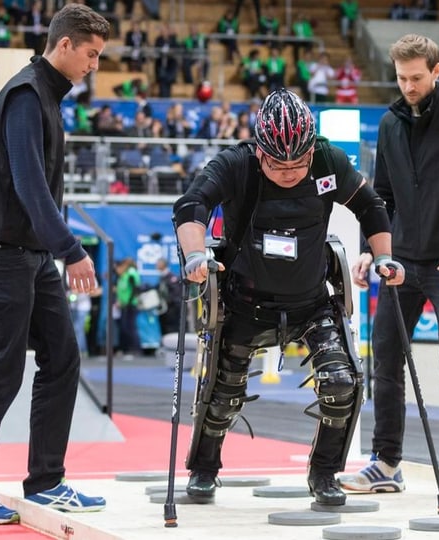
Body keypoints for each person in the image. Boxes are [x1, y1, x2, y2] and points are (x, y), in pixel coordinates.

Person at [173, 88, 404, 506]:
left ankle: (325, 472)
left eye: (298, 162)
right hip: (245, 301)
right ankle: (204, 469)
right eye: (278, 164)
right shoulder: (235, 164)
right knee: (222, 393)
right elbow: (192, 205)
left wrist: (384, 255)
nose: (289, 172)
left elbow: (370, 206)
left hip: (312, 301)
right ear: (259, 149)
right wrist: (193, 254)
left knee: (343, 381)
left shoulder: (328, 161)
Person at [0, 4, 110, 525]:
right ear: (64, 45)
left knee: (62, 357)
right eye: (91, 54)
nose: (94, 65)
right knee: (5, 367)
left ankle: (45, 482)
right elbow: (28, 184)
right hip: (0, 252)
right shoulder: (25, 94)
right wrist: (72, 250)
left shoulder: (47, 96)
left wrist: (54, 250)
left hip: (31, 255)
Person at [339, 34, 439, 500]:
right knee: (385, 360)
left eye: (416, 77)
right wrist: (374, 248)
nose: (408, 86)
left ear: (436, 72)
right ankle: (386, 463)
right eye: (401, 78)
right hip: (401, 263)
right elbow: (383, 199)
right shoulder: (390, 124)